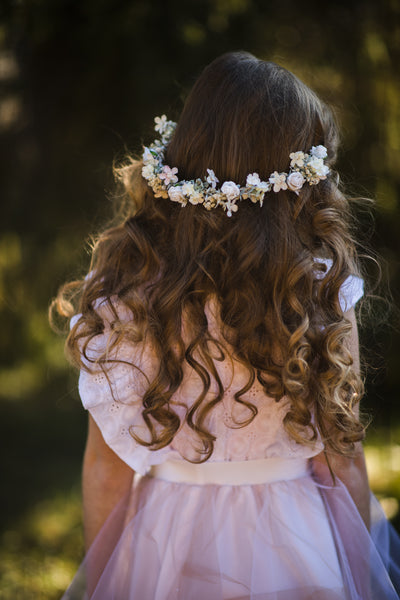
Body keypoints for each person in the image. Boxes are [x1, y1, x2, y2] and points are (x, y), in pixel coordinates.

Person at [53, 51, 400, 599]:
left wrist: (106, 583)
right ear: (300, 180)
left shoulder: (127, 284)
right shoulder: (319, 285)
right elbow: (342, 464)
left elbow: (106, 470)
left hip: (167, 539)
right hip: (294, 539)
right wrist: (360, 578)